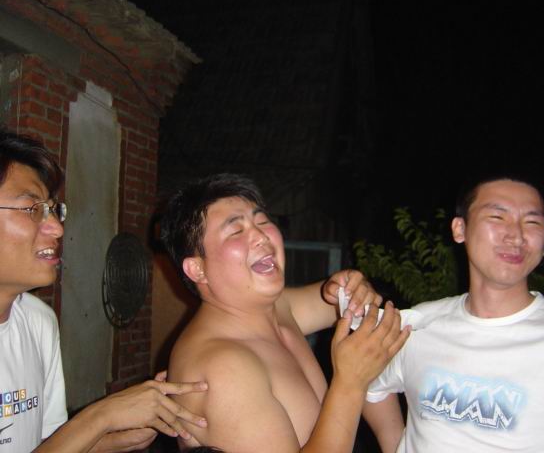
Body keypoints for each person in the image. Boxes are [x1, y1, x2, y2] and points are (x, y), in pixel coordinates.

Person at [364, 177, 544, 453]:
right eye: (497, 217)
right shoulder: (420, 324)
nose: (516, 236)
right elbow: (367, 383)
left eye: (532, 222)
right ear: (460, 229)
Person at [160, 173, 411, 452]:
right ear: (197, 269)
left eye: (262, 221)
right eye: (236, 231)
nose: (260, 236)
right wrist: (350, 384)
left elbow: (346, 302)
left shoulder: (275, 308)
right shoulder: (222, 366)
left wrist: (352, 285)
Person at [0, 129, 209, 453]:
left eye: (54, 210)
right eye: (32, 209)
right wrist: (101, 417)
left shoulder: (38, 321)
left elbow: (49, 445)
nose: (57, 228)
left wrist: (112, 439)